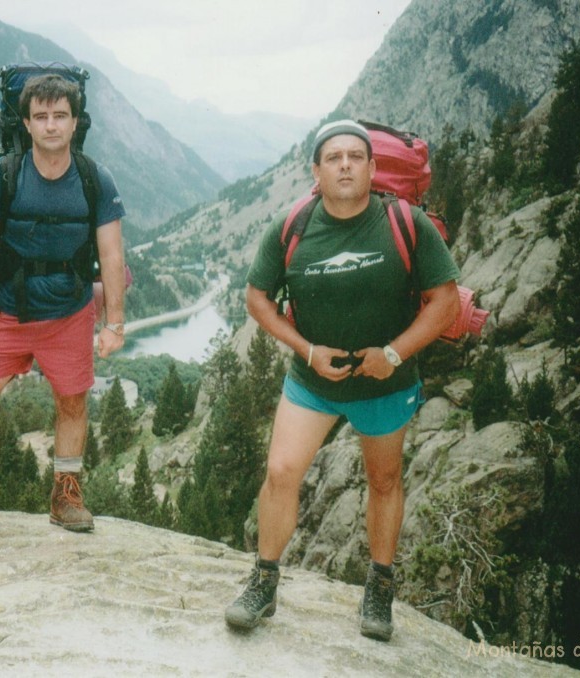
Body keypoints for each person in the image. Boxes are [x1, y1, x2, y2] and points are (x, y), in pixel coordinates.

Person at [224, 120, 460, 641]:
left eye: (356, 156)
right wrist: (306, 349)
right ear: (316, 171)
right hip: (312, 381)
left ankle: (379, 586)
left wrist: (394, 354)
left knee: (383, 482)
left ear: (374, 169)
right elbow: (257, 298)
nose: (346, 165)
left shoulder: (405, 222)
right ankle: (263, 582)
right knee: (281, 472)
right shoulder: (291, 227)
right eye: (334, 157)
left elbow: (445, 302)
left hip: (385, 383)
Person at [0, 74, 127, 537]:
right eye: (40, 116)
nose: (50, 126)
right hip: (8, 312)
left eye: (59, 116)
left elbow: (113, 255)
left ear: (75, 121)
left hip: (69, 314)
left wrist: (115, 324)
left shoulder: (93, 178)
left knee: (71, 403)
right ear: (25, 122)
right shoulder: (3, 175)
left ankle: (66, 494)